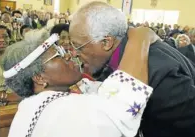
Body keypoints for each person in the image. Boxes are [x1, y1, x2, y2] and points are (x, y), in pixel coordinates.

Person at [69, 2, 195, 137]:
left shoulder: (159, 73)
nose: (74, 54)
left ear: (106, 42)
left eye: (78, 47)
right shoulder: (124, 54)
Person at [1, 28, 154, 137]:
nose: (68, 55)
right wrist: (140, 38)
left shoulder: (32, 105)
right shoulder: (61, 109)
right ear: (39, 78)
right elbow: (124, 105)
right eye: (58, 55)